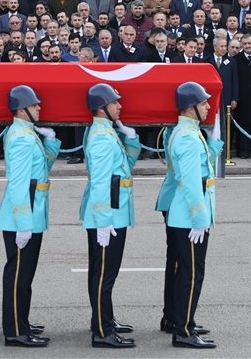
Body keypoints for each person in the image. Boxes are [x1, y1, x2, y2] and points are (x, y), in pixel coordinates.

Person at [155, 82, 222, 349]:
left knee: (184, 270)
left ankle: (182, 321)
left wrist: (215, 138)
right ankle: (183, 330)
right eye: (204, 102)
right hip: (188, 217)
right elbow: (193, 181)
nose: (208, 106)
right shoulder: (187, 136)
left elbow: (201, 163)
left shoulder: (186, 132)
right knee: (191, 273)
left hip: (183, 214)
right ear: (191, 107)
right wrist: (199, 218)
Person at [0, 85, 61, 347]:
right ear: (22, 110)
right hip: (22, 218)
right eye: (35, 105)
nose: (39, 108)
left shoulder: (26, 133)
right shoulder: (22, 138)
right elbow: (19, 184)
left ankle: (20, 321)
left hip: (31, 213)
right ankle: (15, 330)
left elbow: (41, 169)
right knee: (19, 277)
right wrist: (24, 224)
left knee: (25, 276)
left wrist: (51, 142)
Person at [80, 83, 141, 348]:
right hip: (108, 216)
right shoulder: (102, 137)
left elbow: (124, 167)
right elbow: (102, 183)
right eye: (115, 102)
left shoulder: (108, 132)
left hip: (113, 212)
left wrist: (131, 139)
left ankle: (104, 319)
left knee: (103, 272)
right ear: (101, 108)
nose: (120, 106)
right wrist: (104, 221)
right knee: (104, 274)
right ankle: (102, 332)